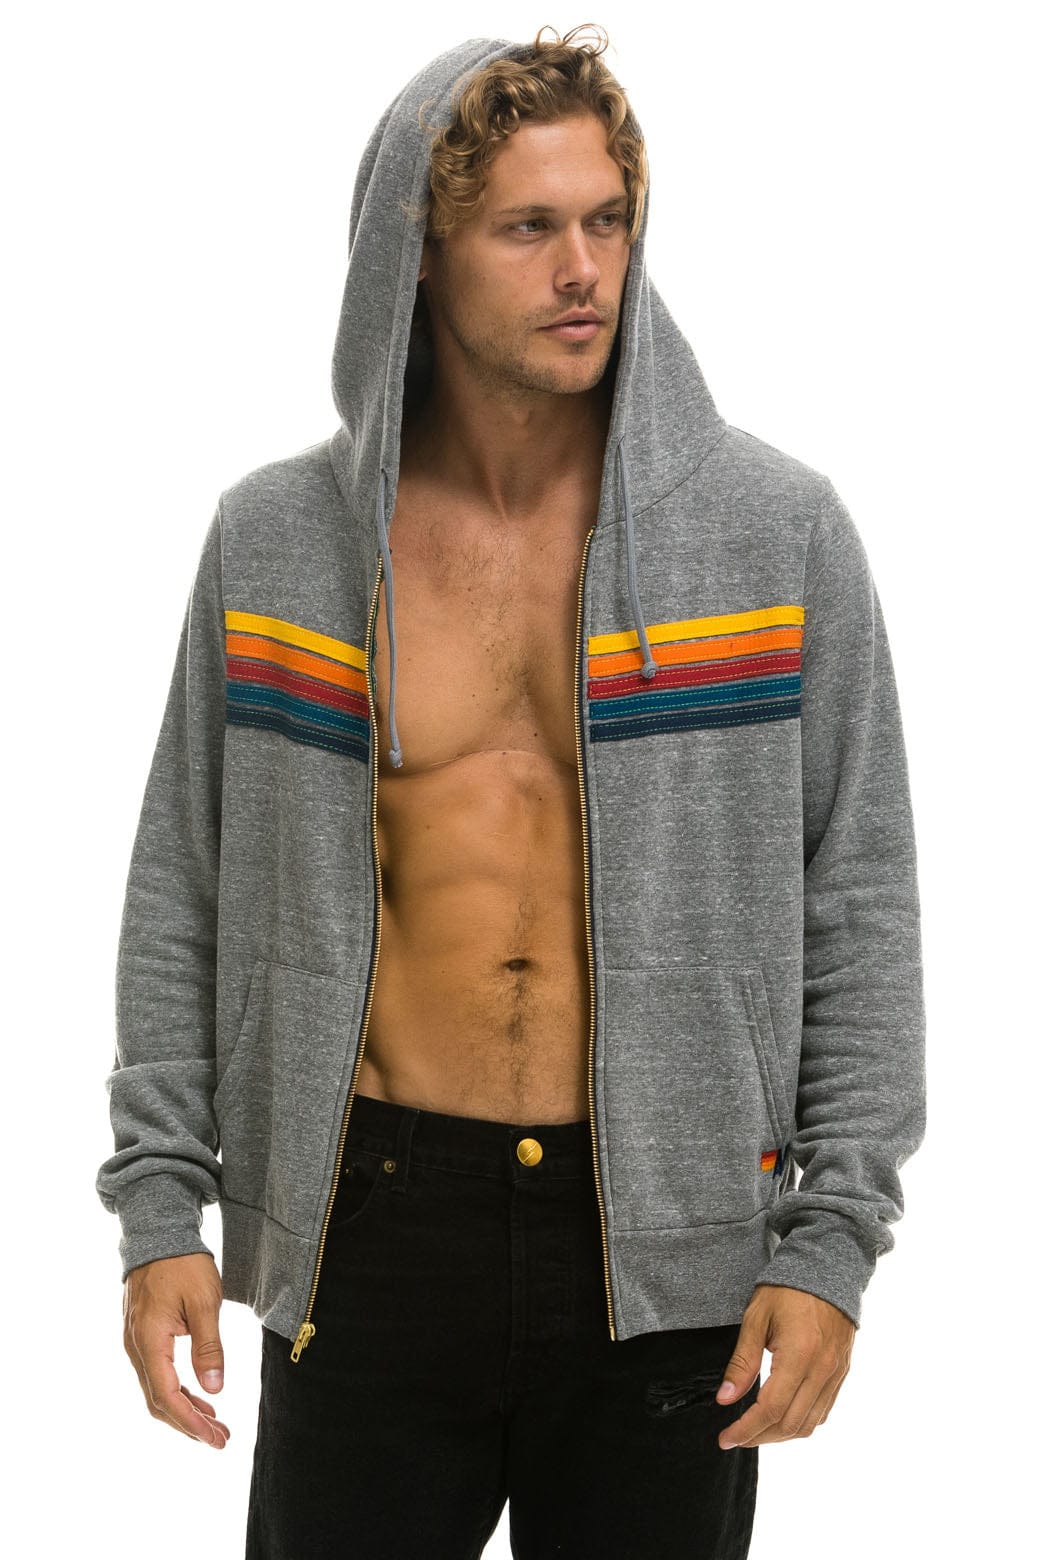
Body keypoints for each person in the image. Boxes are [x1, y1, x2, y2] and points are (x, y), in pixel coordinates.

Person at [96, 24, 926, 1560]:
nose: (583, 269)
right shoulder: (278, 541)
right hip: (371, 1223)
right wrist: (162, 1210)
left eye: (608, 220)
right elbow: (182, 884)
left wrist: (831, 1246)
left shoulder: (775, 534)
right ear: (415, 250)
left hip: (668, 1238)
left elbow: (858, 895)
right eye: (529, 227)